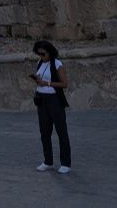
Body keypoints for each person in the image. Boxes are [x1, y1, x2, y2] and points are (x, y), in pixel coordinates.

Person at [30, 39, 71, 174]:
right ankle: (48, 161)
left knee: (61, 132)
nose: (41, 56)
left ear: (50, 52)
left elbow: (64, 84)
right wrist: (37, 79)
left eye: (43, 54)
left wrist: (46, 83)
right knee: (44, 132)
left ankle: (65, 163)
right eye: (39, 54)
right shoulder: (40, 63)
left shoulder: (57, 64)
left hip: (54, 100)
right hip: (42, 100)